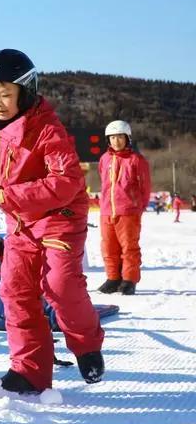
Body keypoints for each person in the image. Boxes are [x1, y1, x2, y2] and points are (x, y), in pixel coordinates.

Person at [0, 49, 104, 394]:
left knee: (60, 285)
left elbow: (68, 181)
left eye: (6, 94)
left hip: (60, 215)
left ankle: (86, 345)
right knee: (14, 290)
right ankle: (30, 370)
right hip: (21, 219)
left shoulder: (47, 128)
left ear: (26, 92)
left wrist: (12, 196)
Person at [96, 120, 151, 296]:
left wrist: (138, 207)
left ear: (127, 138)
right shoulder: (104, 159)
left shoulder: (136, 160)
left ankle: (129, 279)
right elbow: (104, 182)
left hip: (128, 211)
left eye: (120, 137)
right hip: (106, 211)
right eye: (112, 137)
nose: (116, 141)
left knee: (129, 247)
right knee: (108, 247)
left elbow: (145, 186)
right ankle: (113, 278)